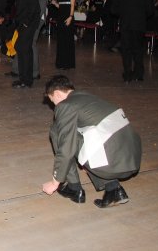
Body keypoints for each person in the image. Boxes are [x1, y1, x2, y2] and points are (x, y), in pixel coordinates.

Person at [42, 75, 141, 208]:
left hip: (113, 164)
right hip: (132, 159)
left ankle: (74, 188)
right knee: (89, 136)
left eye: (53, 100)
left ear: (57, 94)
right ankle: (114, 190)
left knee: (57, 131)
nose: (54, 105)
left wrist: (55, 182)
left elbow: (66, 147)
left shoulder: (66, 105)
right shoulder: (88, 98)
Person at [111, 0, 154, 82]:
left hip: (125, 25)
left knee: (126, 50)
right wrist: (141, 16)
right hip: (139, 25)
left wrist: (124, 14)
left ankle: (127, 74)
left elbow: (113, 10)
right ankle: (139, 74)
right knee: (138, 50)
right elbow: (150, 11)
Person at [9, 0, 47, 80]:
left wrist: (32, 22)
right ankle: (17, 70)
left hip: (35, 20)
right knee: (22, 44)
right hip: (29, 19)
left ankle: (34, 73)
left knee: (29, 45)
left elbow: (41, 4)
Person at [51, 0, 76, 70]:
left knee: (67, 40)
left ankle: (67, 63)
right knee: (61, 40)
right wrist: (55, 3)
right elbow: (61, 6)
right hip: (60, 18)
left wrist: (71, 17)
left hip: (68, 17)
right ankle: (61, 63)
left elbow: (72, 5)